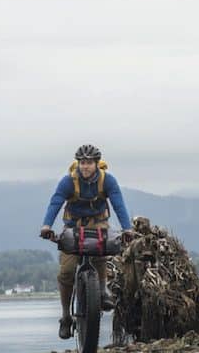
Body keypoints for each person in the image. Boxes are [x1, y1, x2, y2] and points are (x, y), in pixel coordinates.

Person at [40, 144, 133, 339]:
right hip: (73, 227)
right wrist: (46, 226)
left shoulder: (107, 180)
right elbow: (55, 202)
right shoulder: (68, 181)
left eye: (89, 163)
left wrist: (127, 228)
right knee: (66, 271)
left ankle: (102, 289)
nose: (85, 167)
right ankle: (65, 316)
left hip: (99, 223)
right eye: (82, 163)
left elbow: (118, 204)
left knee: (101, 253)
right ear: (78, 164)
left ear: (97, 164)